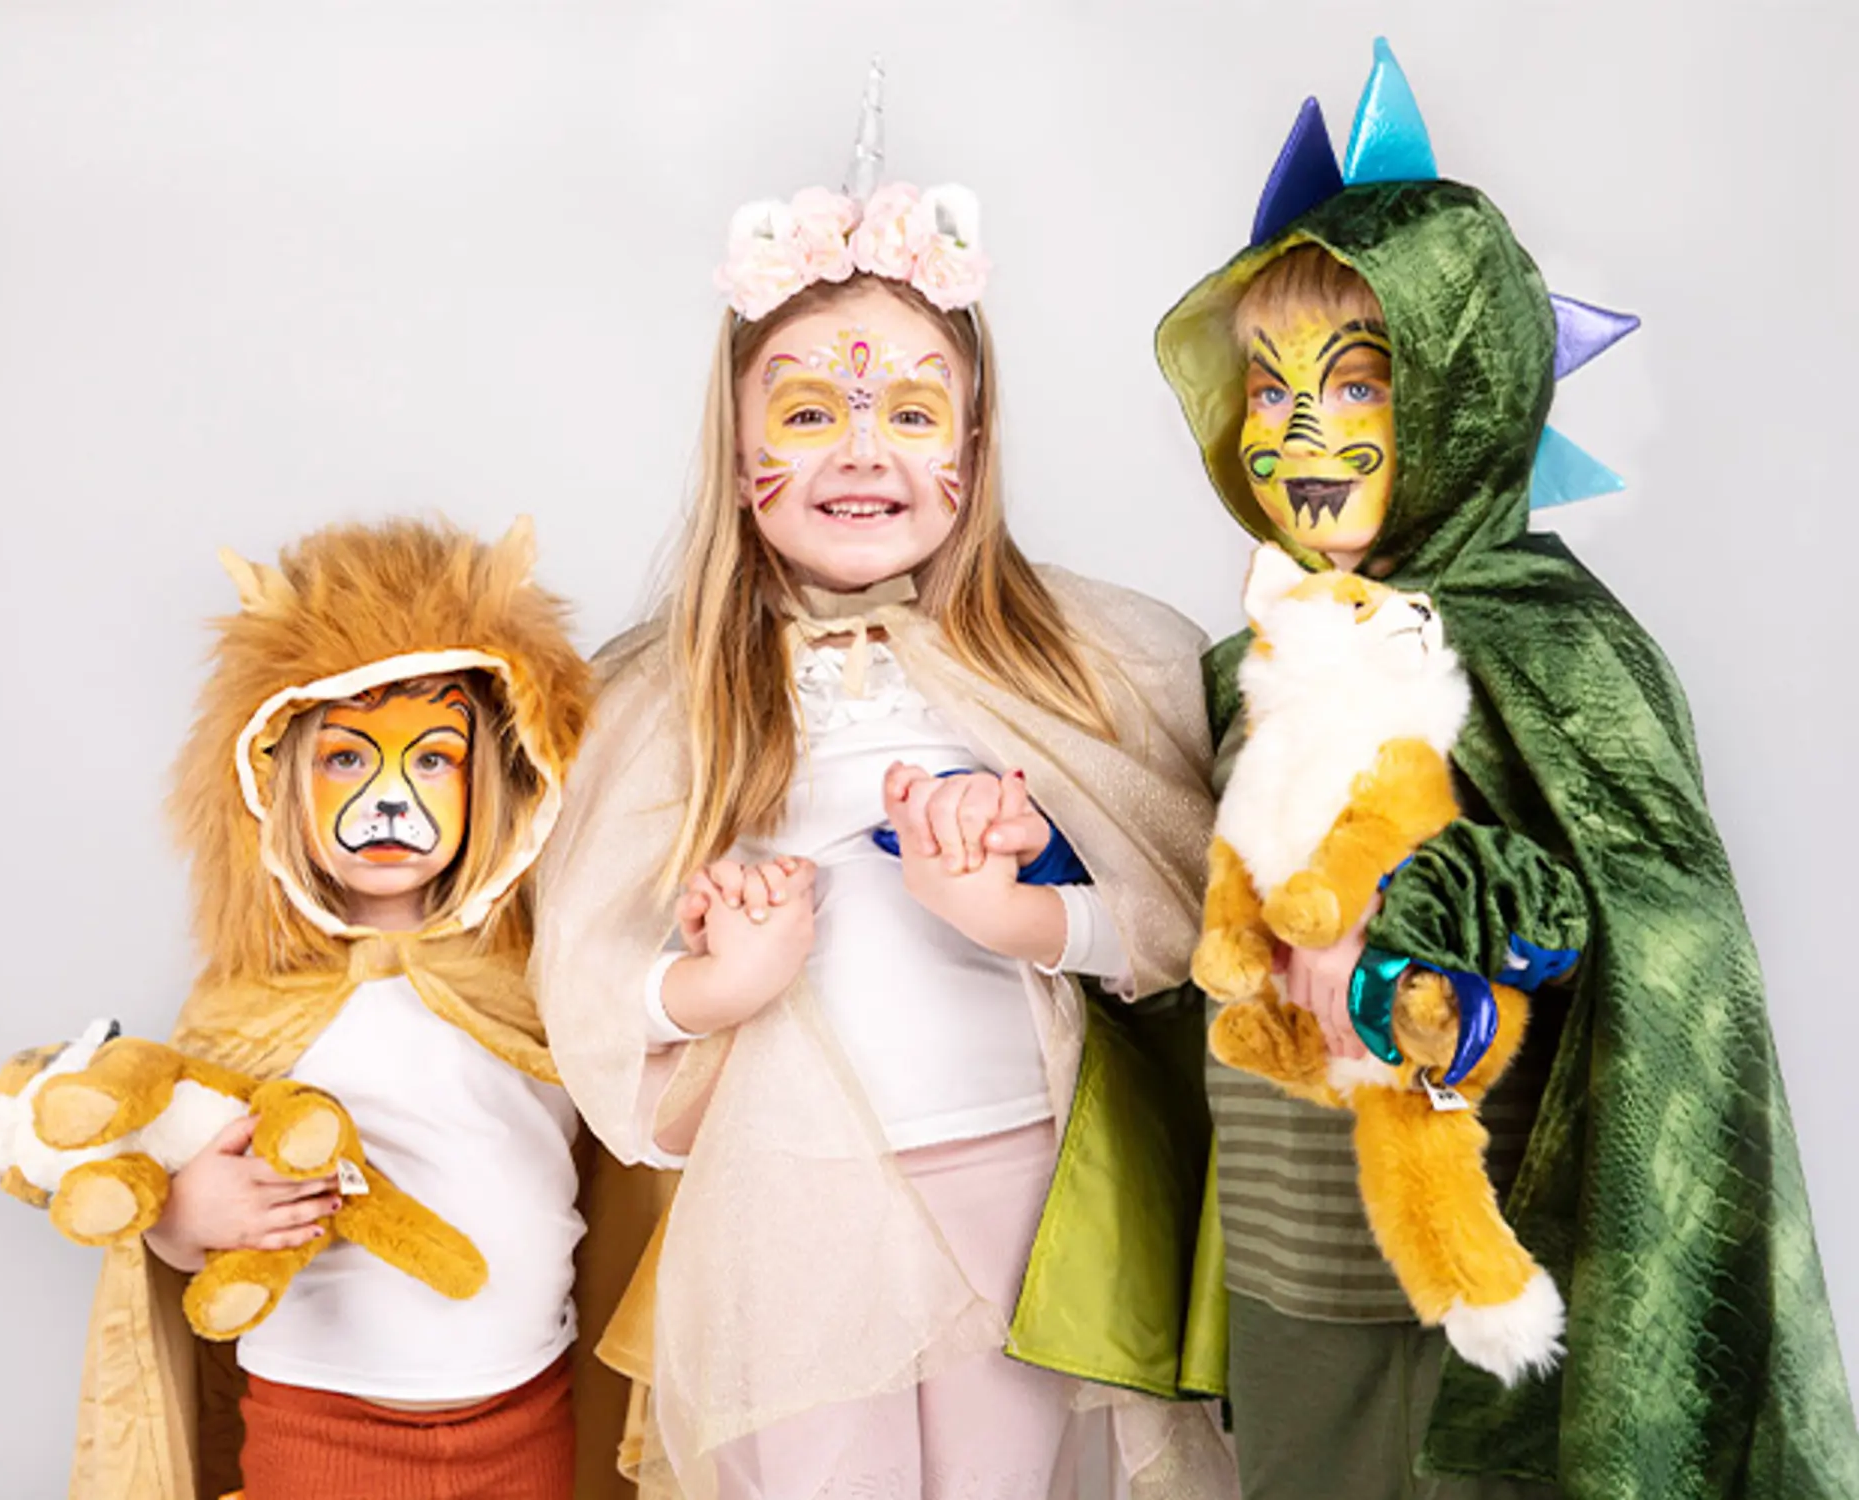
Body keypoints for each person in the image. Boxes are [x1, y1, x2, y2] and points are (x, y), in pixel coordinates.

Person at [1146, 37, 1858, 1500]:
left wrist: (1431, 913)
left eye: (1359, 385)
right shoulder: (1246, 661)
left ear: (1463, 395)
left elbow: (1655, 940)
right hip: (1288, 1254)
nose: (1301, 435)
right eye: (1269, 391)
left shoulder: (1558, 651)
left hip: (1484, 1251)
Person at [531, 81, 1228, 1500]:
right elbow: (588, 984)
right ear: (736, 446)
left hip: (1020, 1177)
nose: (863, 452)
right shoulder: (659, 699)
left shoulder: (1094, 659)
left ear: (973, 446)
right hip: (788, 1198)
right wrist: (715, 985)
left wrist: (1017, 916)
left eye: (912, 410)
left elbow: (1194, 924)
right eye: (809, 410)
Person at [67, 516, 661, 1500]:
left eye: (431, 760)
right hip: (315, 1422)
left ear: (498, 774)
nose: (389, 798)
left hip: (528, 1410)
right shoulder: (248, 997)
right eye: (346, 758)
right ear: (276, 775)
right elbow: (170, 1190)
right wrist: (183, 1217)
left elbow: (636, 1124)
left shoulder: (540, 974)